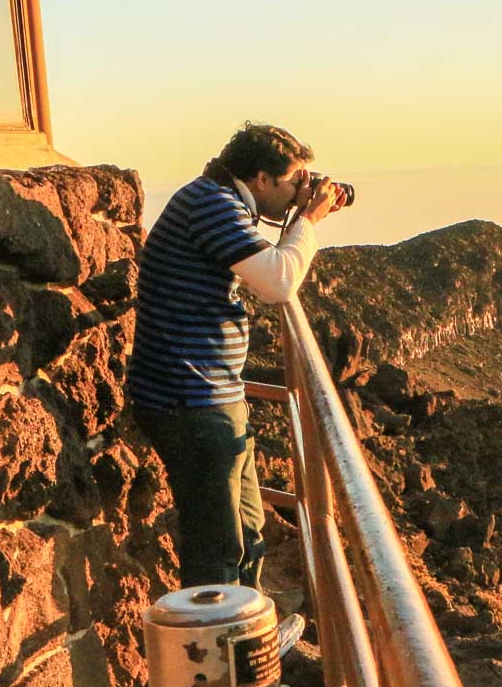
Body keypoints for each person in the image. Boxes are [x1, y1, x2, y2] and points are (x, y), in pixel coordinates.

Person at [127, 121, 348, 603]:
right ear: (261, 180)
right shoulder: (211, 205)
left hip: (211, 393)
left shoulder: (216, 200)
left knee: (248, 532)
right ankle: (216, 672)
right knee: (217, 548)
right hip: (189, 399)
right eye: (292, 182)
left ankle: (248, 657)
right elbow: (277, 284)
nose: (298, 192)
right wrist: (307, 221)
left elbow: (267, 270)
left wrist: (298, 217)